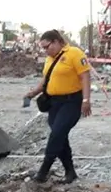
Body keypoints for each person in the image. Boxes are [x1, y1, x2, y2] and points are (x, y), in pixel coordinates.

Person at [24, 30, 92, 183]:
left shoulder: (74, 53)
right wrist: (33, 93)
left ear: (56, 41)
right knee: (60, 137)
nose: (45, 51)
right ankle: (70, 171)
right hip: (54, 104)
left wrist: (86, 100)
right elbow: (46, 79)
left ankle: (43, 170)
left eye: (46, 47)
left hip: (71, 102)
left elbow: (85, 76)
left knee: (57, 134)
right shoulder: (49, 59)